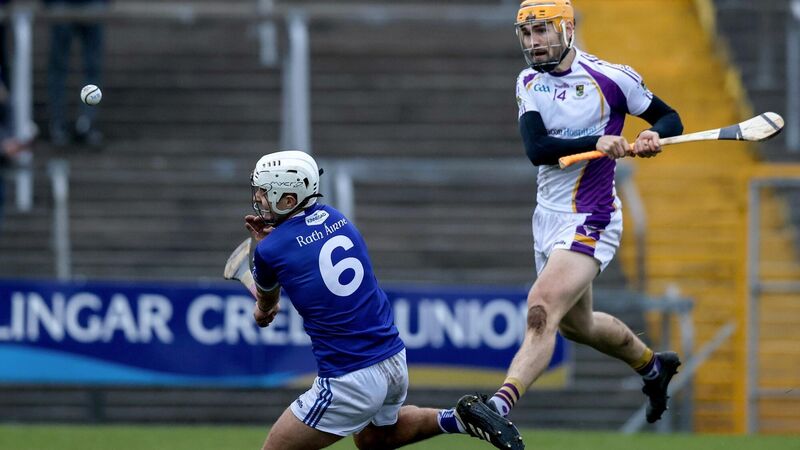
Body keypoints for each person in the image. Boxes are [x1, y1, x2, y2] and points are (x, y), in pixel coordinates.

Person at [456, 0, 685, 432]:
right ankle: (653, 366)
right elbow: (538, 149)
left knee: (541, 309)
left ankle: (498, 407)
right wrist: (597, 141)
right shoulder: (528, 82)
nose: (534, 42)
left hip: (592, 216)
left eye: (542, 31)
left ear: (567, 30)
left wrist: (653, 135)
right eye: (527, 34)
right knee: (577, 326)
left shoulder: (612, 78)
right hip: (547, 217)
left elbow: (669, 117)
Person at [242, 150, 524, 450]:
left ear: (288, 200)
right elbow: (300, 249)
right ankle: (458, 419)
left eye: (265, 192)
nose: (258, 197)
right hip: (393, 360)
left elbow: (266, 304)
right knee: (374, 439)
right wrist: (276, 240)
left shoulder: (269, 250)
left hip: (349, 377)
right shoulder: (336, 218)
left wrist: (263, 309)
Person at [44, 0, 107, 147]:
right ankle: (61, 124)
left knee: (90, 68)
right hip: (64, 6)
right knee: (60, 69)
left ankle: (84, 123)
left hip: (88, 6)